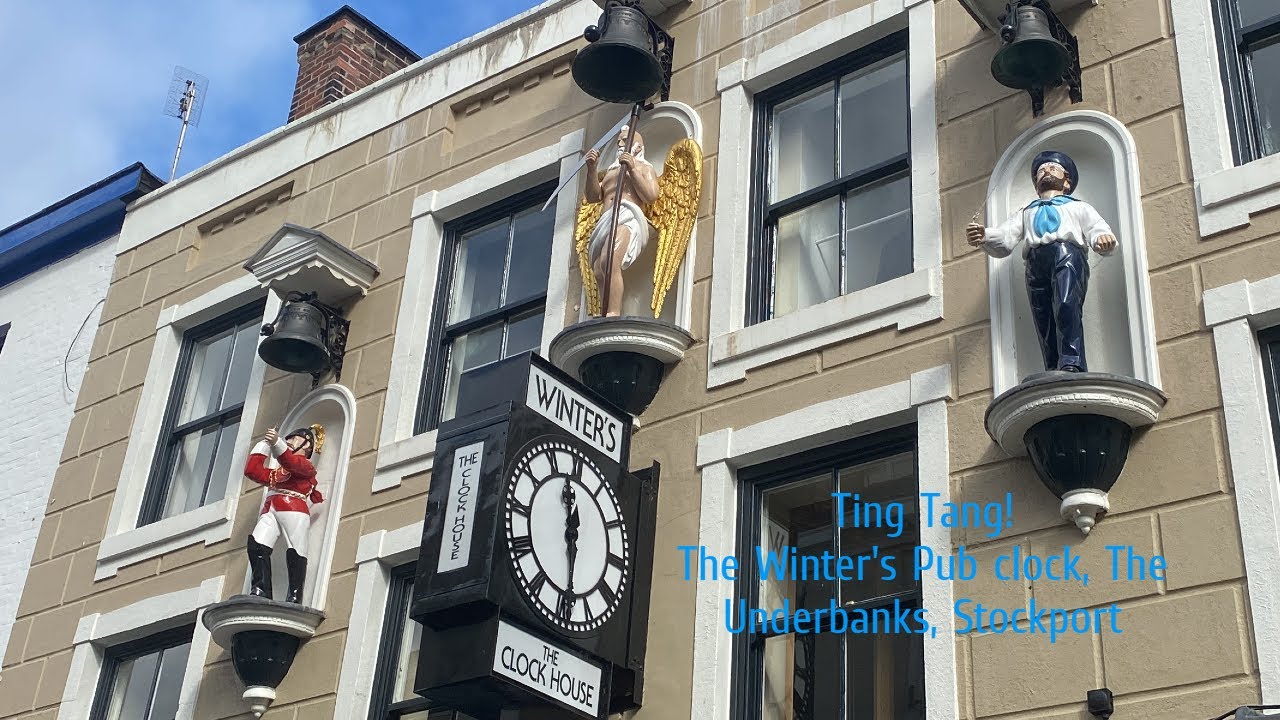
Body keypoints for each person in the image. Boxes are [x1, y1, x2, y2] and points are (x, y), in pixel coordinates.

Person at [967, 150, 1117, 373]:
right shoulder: (1027, 212)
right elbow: (1006, 235)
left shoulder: (1078, 207)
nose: (1046, 172)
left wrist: (1102, 239)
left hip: (1066, 255)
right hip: (1035, 262)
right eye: (1041, 171)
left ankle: (1073, 361)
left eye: (1052, 168)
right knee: (1043, 316)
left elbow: (1097, 228)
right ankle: (1053, 366)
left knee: (1066, 304)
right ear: (1036, 184)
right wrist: (985, 235)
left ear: (1067, 181)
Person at [583, 126, 661, 317]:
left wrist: (633, 169)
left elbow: (651, 195)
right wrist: (592, 169)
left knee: (610, 259)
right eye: (619, 140)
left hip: (627, 217)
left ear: (637, 146)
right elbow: (593, 196)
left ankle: (613, 312)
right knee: (600, 270)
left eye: (624, 140)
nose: (619, 144)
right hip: (607, 220)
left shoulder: (644, 168)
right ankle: (604, 312)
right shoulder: (610, 172)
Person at [243, 425, 324, 604]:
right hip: (271, 508)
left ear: (306, 445)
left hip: (293, 509)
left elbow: (291, 462)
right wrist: (265, 444)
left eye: (294, 439)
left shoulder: (306, 467)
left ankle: (295, 595)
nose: (289, 441)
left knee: (296, 550)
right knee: (257, 545)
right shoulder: (277, 474)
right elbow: (252, 471)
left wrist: (277, 443)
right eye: (287, 439)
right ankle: (261, 589)